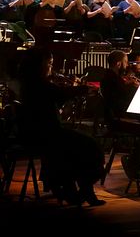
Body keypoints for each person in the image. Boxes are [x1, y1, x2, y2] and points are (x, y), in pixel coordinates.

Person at [16, 48, 106, 206]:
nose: (51, 68)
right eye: (49, 64)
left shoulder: (28, 83)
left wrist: (69, 89)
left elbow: (56, 98)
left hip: (38, 133)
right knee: (92, 146)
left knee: (74, 147)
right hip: (46, 135)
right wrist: (84, 88)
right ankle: (84, 189)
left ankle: (73, 190)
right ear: (39, 65)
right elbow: (59, 94)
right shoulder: (38, 84)